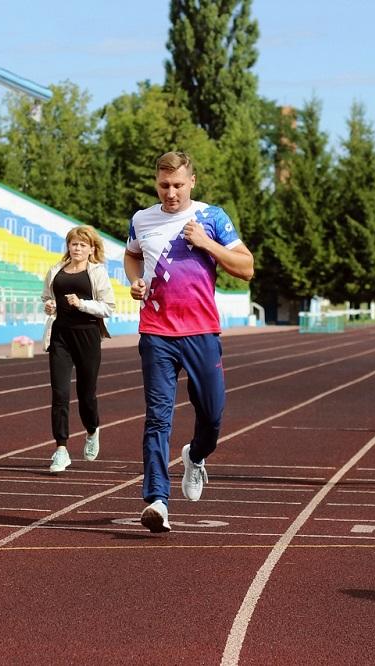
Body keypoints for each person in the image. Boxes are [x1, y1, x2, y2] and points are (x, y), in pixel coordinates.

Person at [124, 151, 254, 533]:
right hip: (157, 332)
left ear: (191, 182)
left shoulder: (212, 218)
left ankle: (195, 456)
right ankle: (157, 501)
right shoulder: (142, 219)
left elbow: (247, 268)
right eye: (164, 185)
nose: (171, 193)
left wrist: (206, 243)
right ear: (156, 183)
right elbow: (131, 256)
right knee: (157, 418)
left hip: (201, 332)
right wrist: (136, 281)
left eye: (178, 185)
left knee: (212, 415)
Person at [42, 225, 116, 473]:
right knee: (60, 394)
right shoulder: (55, 270)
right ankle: (61, 449)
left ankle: (92, 429)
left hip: (87, 336)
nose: (77, 248)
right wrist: (50, 305)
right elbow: (46, 298)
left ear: (91, 249)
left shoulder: (97, 272)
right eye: (73, 243)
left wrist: (82, 304)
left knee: (86, 395)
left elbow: (108, 307)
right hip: (60, 337)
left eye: (82, 245)